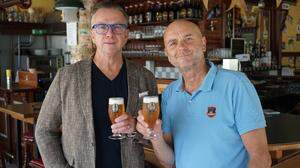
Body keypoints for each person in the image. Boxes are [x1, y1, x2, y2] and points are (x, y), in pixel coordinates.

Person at [35, 2, 157, 168]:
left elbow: (154, 131)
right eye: (101, 27)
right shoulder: (67, 76)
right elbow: (44, 130)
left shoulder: (145, 77)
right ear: (92, 35)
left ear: (126, 34)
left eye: (117, 27)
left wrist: (135, 126)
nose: (109, 33)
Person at [136, 20, 271, 168]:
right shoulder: (169, 94)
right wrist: (155, 136)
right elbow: (170, 161)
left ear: (203, 43)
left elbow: (261, 157)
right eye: (173, 43)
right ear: (167, 53)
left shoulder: (236, 84)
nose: (181, 47)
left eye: (188, 39)